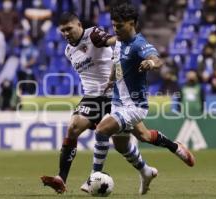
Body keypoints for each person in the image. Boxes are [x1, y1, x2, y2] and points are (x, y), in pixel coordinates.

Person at [81, 2, 195, 193]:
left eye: (120, 25)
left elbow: (156, 59)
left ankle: (93, 178)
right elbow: (116, 63)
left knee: (101, 130)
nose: (115, 29)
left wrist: (150, 63)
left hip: (135, 105)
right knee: (131, 141)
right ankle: (152, 165)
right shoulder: (118, 42)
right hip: (118, 104)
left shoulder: (138, 44)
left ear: (132, 23)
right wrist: (110, 81)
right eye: (114, 25)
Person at [40, 12, 158, 195]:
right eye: (62, 30)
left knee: (137, 138)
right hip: (92, 97)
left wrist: (120, 48)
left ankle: (149, 167)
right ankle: (61, 178)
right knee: (73, 127)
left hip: (114, 95)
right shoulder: (68, 50)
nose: (66, 33)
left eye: (69, 28)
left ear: (79, 25)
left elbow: (115, 41)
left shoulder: (93, 34)